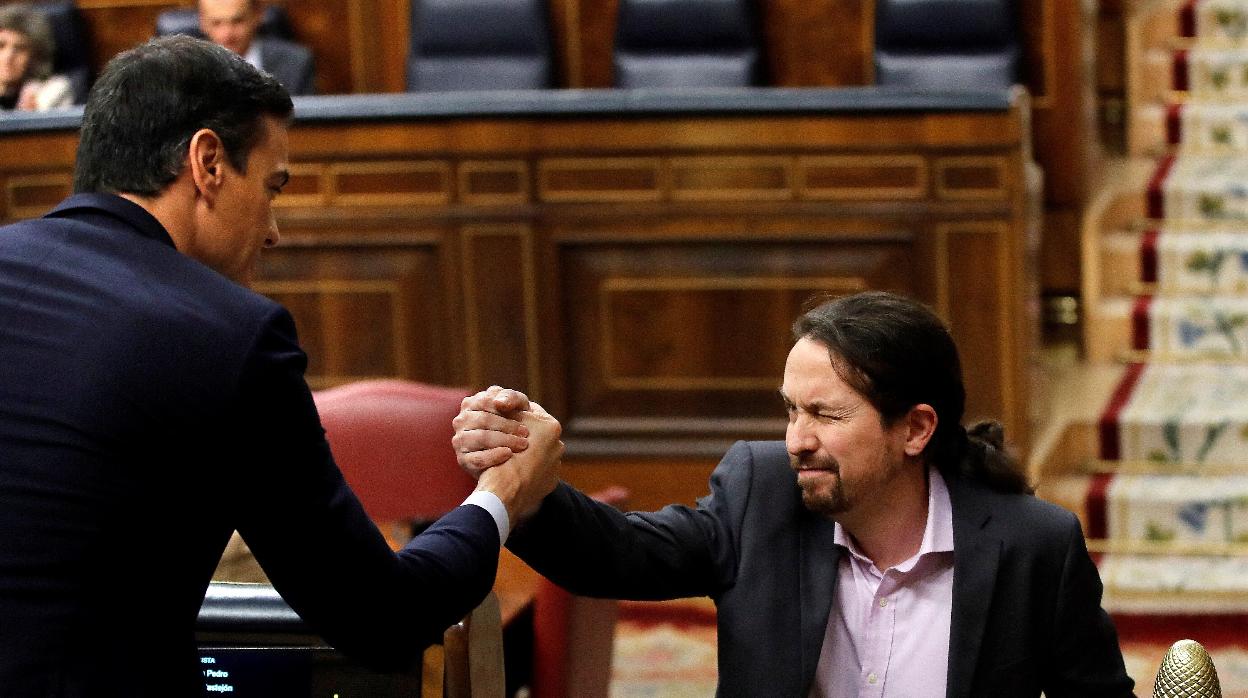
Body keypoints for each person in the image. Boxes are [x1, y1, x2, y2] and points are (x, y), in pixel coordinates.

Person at [0, 35, 560, 695]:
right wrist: (500, 498)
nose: (272, 231)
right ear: (207, 162)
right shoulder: (225, 334)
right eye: (271, 189)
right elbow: (380, 617)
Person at [454, 291, 1135, 697]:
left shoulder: (1032, 546)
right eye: (790, 411)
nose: (797, 440)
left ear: (916, 428)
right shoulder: (763, 497)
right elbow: (619, 554)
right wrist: (527, 480)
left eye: (827, 415)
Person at [198, 0, 315, 95]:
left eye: (237, 21)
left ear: (258, 15)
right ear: (202, 22)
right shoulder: (187, 68)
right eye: (217, 23)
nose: (227, 34)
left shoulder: (295, 63)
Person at [0, 3, 72, 111]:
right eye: (1, 45)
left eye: (20, 48)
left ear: (36, 56)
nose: (8, 56)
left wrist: (31, 115)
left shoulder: (54, 90)